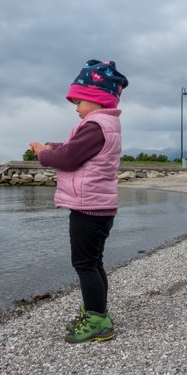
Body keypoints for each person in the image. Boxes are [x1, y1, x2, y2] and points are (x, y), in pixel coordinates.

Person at [29, 59, 128, 344]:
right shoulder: (103, 125)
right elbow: (73, 150)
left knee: (84, 263)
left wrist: (43, 155)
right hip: (100, 206)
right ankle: (98, 312)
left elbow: (69, 158)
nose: (75, 108)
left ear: (95, 99)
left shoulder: (95, 125)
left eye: (78, 101)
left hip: (89, 207)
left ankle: (97, 320)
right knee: (93, 262)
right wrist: (51, 148)